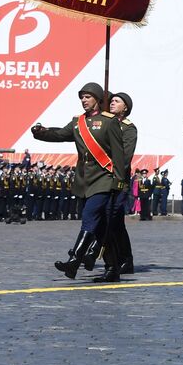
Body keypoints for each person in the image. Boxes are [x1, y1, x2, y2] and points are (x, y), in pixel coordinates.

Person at [30, 82, 127, 282]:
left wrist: (119, 181)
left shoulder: (109, 122)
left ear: (98, 100)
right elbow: (59, 135)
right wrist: (41, 133)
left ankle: (74, 260)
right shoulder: (78, 122)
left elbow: (119, 154)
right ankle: (112, 269)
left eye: (88, 97)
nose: (84, 100)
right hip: (84, 180)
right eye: (82, 97)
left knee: (89, 216)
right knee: (99, 227)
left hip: (103, 178)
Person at [106, 91, 138, 280]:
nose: (112, 103)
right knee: (114, 222)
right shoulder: (105, 124)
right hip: (100, 178)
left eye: (116, 101)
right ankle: (123, 259)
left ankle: (122, 259)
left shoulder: (128, 128)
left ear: (125, 107)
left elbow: (125, 157)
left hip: (118, 179)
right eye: (110, 101)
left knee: (113, 219)